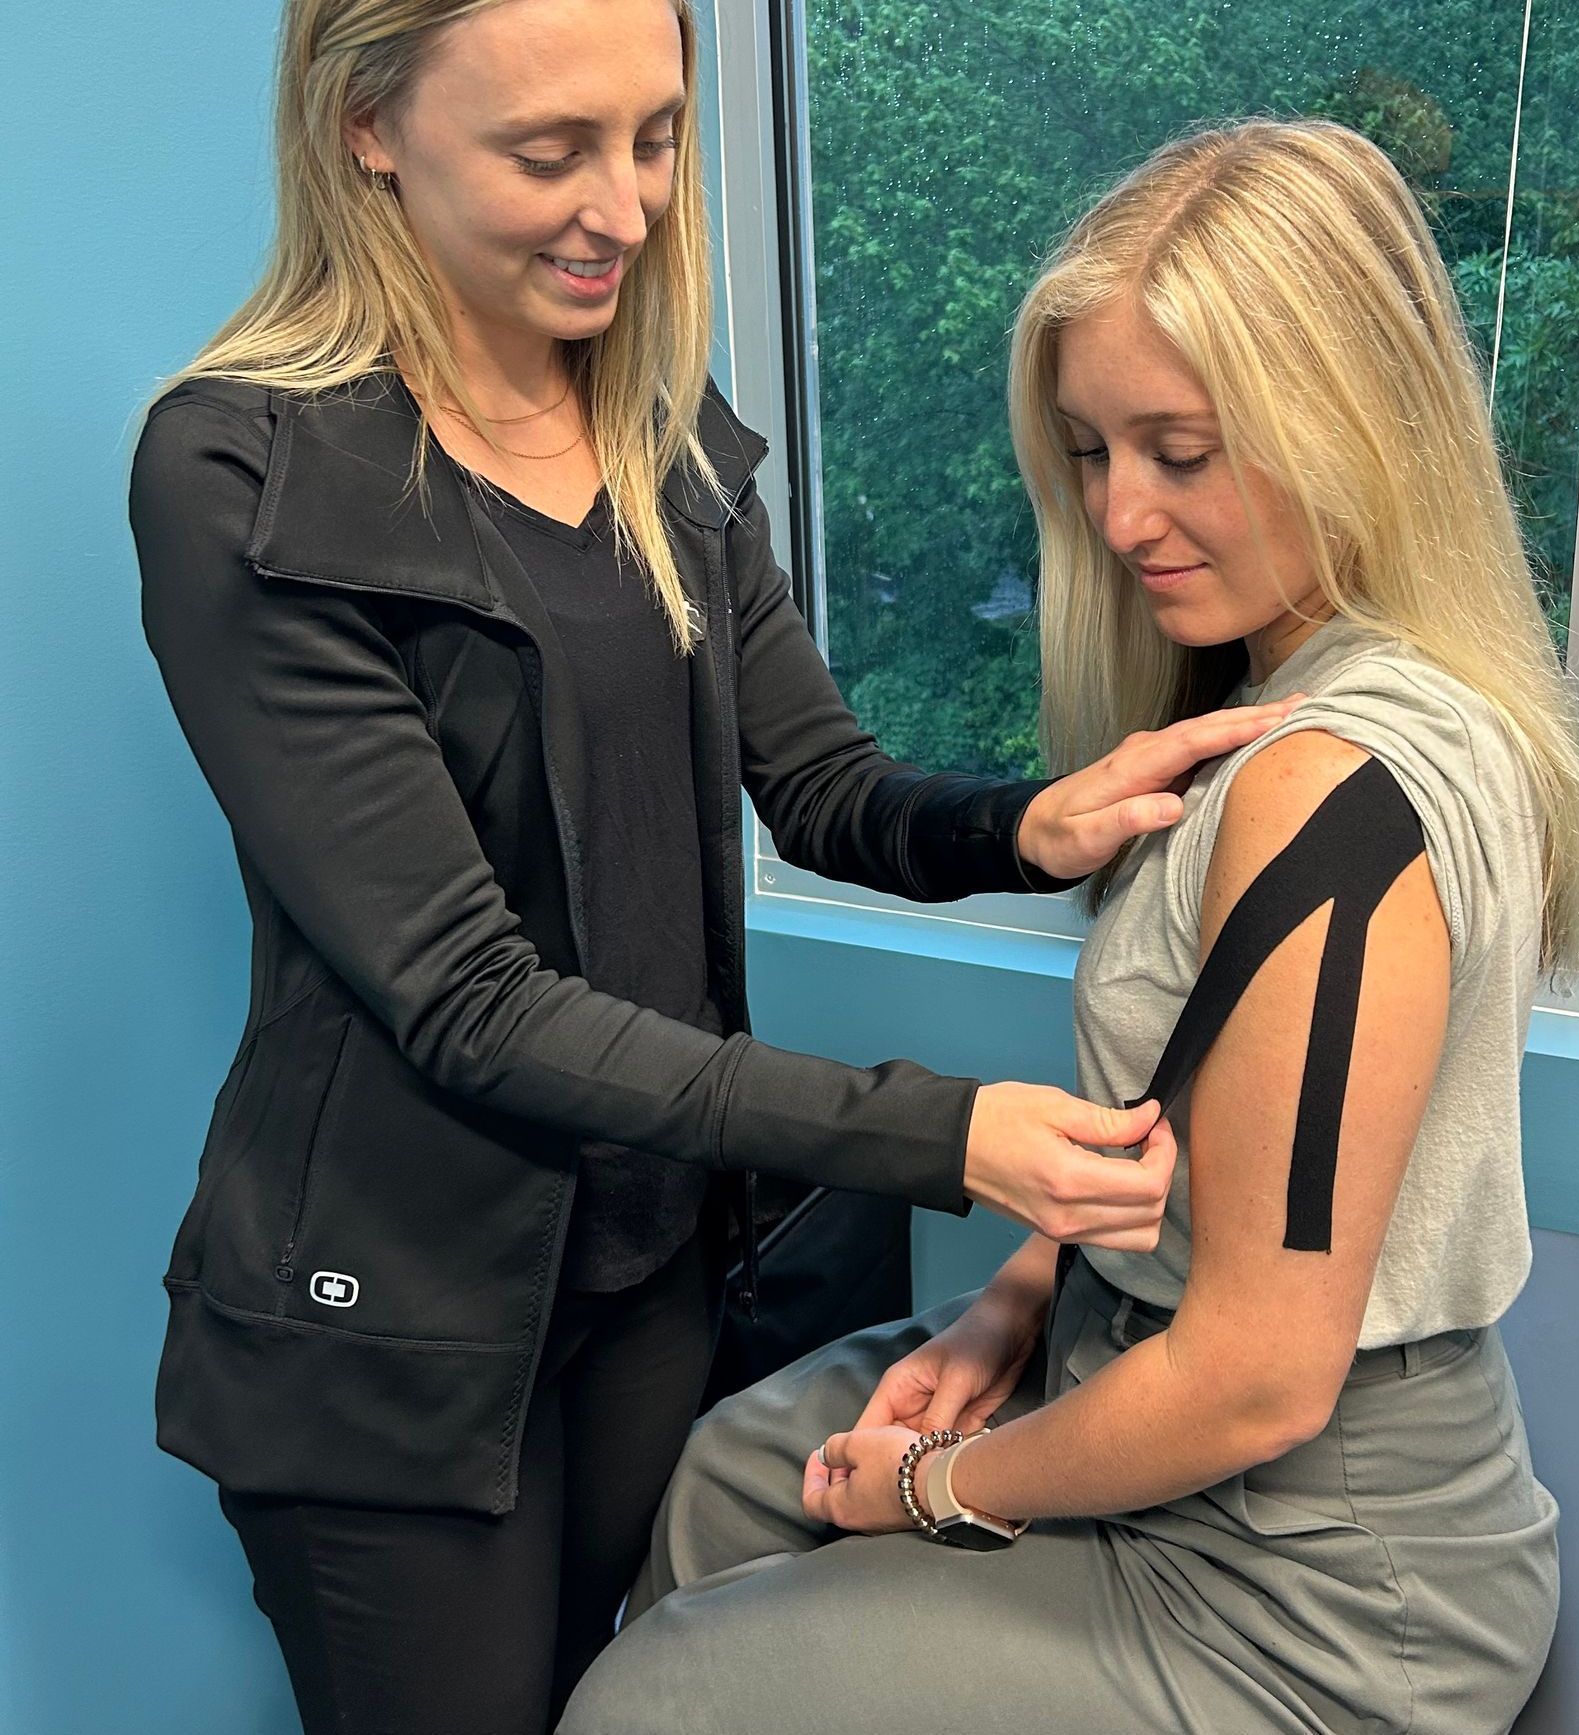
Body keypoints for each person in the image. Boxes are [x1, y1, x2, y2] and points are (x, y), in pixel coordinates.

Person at [124, 3, 1302, 1731]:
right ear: (366, 126)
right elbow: (467, 999)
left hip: (650, 1278)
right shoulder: (243, 470)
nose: (626, 204)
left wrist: (1026, 823)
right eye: (551, 152)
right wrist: (949, 1138)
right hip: (391, 1322)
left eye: (656, 137)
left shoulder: (664, 437)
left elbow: (818, 785)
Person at [560, 117, 1579, 1735]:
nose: (1121, 518)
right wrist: (1014, 1303)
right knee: (729, 1476)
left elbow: (1260, 1374)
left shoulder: (1329, 784)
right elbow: (1184, 1124)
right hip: (1137, 1367)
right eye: (1089, 451)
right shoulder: (1246, 707)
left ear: (1354, 424)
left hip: (1307, 1571)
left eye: (1179, 453)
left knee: (653, 1704)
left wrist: (932, 1487)